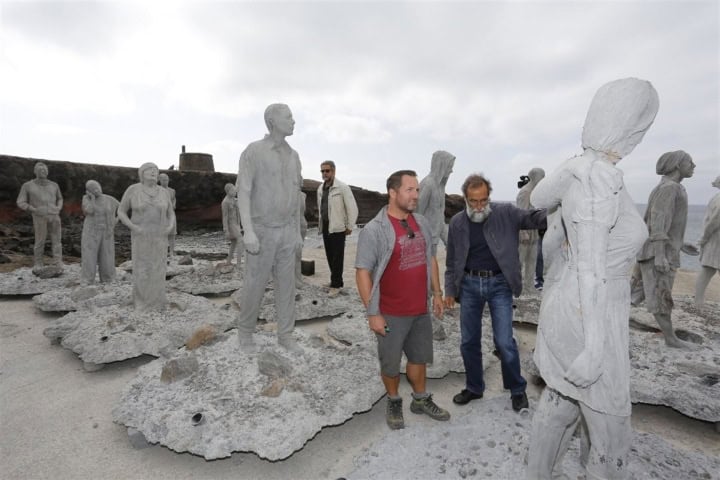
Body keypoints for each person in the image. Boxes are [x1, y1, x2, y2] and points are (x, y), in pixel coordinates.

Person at [526, 78, 659, 480]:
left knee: (562, 401)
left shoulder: (581, 170)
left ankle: (534, 474)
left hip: (573, 303)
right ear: (628, 126)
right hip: (591, 310)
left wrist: (576, 164)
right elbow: (591, 267)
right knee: (612, 433)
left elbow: (537, 200)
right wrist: (597, 348)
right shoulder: (598, 177)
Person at [355, 170, 450, 430]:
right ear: (393, 192)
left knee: (419, 358)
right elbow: (362, 271)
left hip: (420, 309)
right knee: (391, 362)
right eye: (410, 190)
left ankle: (419, 399)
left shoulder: (420, 222)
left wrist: (437, 293)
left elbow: (430, 257)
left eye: (417, 190)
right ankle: (394, 399)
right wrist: (372, 313)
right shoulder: (375, 230)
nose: (416, 195)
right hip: (391, 312)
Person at [444, 173, 546, 412]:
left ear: (489, 196)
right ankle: (474, 387)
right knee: (469, 341)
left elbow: (534, 217)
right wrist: (450, 289)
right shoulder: (458, 223)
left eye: (483, 200)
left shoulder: (505, 212)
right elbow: (451, 261)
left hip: (499, 284)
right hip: (468, 285)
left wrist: (563, 210)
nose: (479, 206)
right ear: (466, 199)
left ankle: (517, 389)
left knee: (504, 341)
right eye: (473, 201)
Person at [236, 103, 303, 354]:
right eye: (288, 117)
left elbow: (296, 197)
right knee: (254, 283)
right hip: (262, 231)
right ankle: (245, 333)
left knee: (287, 286)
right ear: (272, 120)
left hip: (287, 231)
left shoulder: (294, 155)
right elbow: (243, 192)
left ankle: (286, 334)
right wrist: (248, 231)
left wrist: (296, 232)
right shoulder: (254, 151)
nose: (293, 121)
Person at [631, 150, 699, 348]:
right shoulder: (669, 188)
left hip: (656, 250)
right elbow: (658, 223)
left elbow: (664, 222)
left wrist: (680, 243)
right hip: (657, 254)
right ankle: (671, 339)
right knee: (661, 296)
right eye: (690, 162)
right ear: (677, 165)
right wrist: (661, 255)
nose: (694, 165)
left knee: (634, 294)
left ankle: (604, 321)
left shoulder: (672, 187)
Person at [117, 162, 176, 311]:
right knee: (142, 267)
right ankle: (141, 301)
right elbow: (121, 211)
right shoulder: (133, 190)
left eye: (155, 170)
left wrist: (169, 226)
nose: (153, 172)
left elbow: (171, 213)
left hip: (159, 235)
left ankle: (158, 301)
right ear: (141, 173)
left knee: (159, 267)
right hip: (141, 235)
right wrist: (133, 226)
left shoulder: (163, 192)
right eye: (149, 170)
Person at [317, 160, 358, 295]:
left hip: (338, 227)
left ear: (333, 171)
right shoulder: (320, 189)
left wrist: (350, 225)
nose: (324, 173)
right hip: (326, 227)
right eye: (322, 171)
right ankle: (336, 281)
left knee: (337, 257)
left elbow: (352, 208)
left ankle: (335, 285)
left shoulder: (342, 187)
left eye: (327, 171)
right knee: (329, 256)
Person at [16, 162, 64, 270]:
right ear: (35, 171)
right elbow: (20, 202)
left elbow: (60, 198)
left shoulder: (54, 185)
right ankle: (38, 263)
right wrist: (33, 209)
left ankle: (58, 261)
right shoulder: (28, 185)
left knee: (57, 240)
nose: (43, 172)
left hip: (54, 215)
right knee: (40, 240)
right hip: (39, 216)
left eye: (45, 170)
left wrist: (59, 207)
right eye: (40, 170)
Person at [80, 180, 119, 284]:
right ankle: (87, 279)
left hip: (106, 231)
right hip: (91, 230)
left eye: (97, 187)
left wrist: (115, 221)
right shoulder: (86, 199)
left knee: (107, 254)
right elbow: (89, 211)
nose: (96, 190)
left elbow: (122, 209)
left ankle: (108, 278)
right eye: (93, 189)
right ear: (88, 191)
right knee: (89, 254)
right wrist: (92, 199)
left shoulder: (110, 199)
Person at [417, 150, 455, 247]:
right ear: (441, 166)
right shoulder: (428, 185)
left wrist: (449, 242)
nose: (451, 170)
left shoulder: (440, 186)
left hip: (433, 240)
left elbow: (439, 217)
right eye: (449, 167)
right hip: (423, 241)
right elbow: (417, 214)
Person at [516, 167, 545, 294]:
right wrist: (523, 232)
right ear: (534, 177)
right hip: (524, 232)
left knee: (532, 260)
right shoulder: (525, 192)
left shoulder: (535, 192)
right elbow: (520, 213)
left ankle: (529, 286)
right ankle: (515, 286)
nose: (543, 180)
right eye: (541, 177)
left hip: (534, 231)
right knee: (520, 261)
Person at [695, 175, 720, 307]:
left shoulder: (715, 198)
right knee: (706, 271)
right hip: (715, 240)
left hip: (713, 240)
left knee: (707, 271)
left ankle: (698, 301)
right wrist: (704, 238)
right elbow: (714, 221)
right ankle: (698, 301)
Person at [221, 183, 244, 269]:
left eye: (235, 190)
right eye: (233, 190)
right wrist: (226, 230)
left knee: (234, 242)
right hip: (231, 224)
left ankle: (228, 261)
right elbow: (224, 217)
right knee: (240, 240)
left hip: (237, 223)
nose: (235, 191)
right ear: (228, 191)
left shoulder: (234, 200)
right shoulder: (225, 202)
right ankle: (238, 263)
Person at [158, 173, 177, 258]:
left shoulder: (172, 191)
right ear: (160, 181)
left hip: (171, 214)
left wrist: (173, 204)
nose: (166, 182)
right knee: (163, 234)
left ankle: (172, 252)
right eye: (164, 180)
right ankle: (163, 252)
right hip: (162, 214)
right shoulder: (157, 190)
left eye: (167, 180)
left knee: (172, 234)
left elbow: (174, 199)